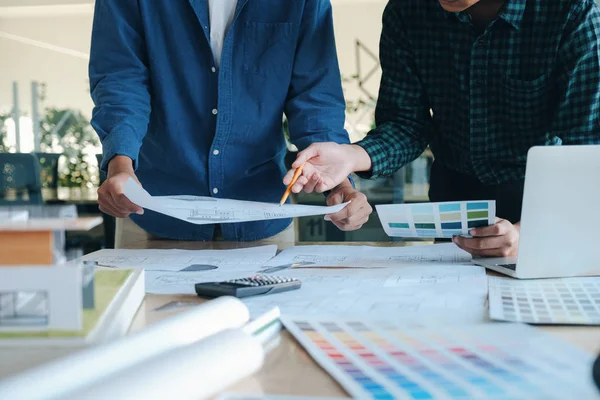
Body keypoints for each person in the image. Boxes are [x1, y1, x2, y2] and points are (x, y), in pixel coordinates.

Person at [285, 0, 600, 257]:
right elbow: (406, 124)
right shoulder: (407, 12)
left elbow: (584, 153)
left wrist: (526, 233)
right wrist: (351, 156)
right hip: (454, 196)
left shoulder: (573, 12)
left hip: (545, 200)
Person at [89, 0, 372, 247]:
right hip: (151, 213)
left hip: (263, 217)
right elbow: (121, 80)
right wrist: (120, 164)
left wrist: (340, 187)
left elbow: (315, 97)